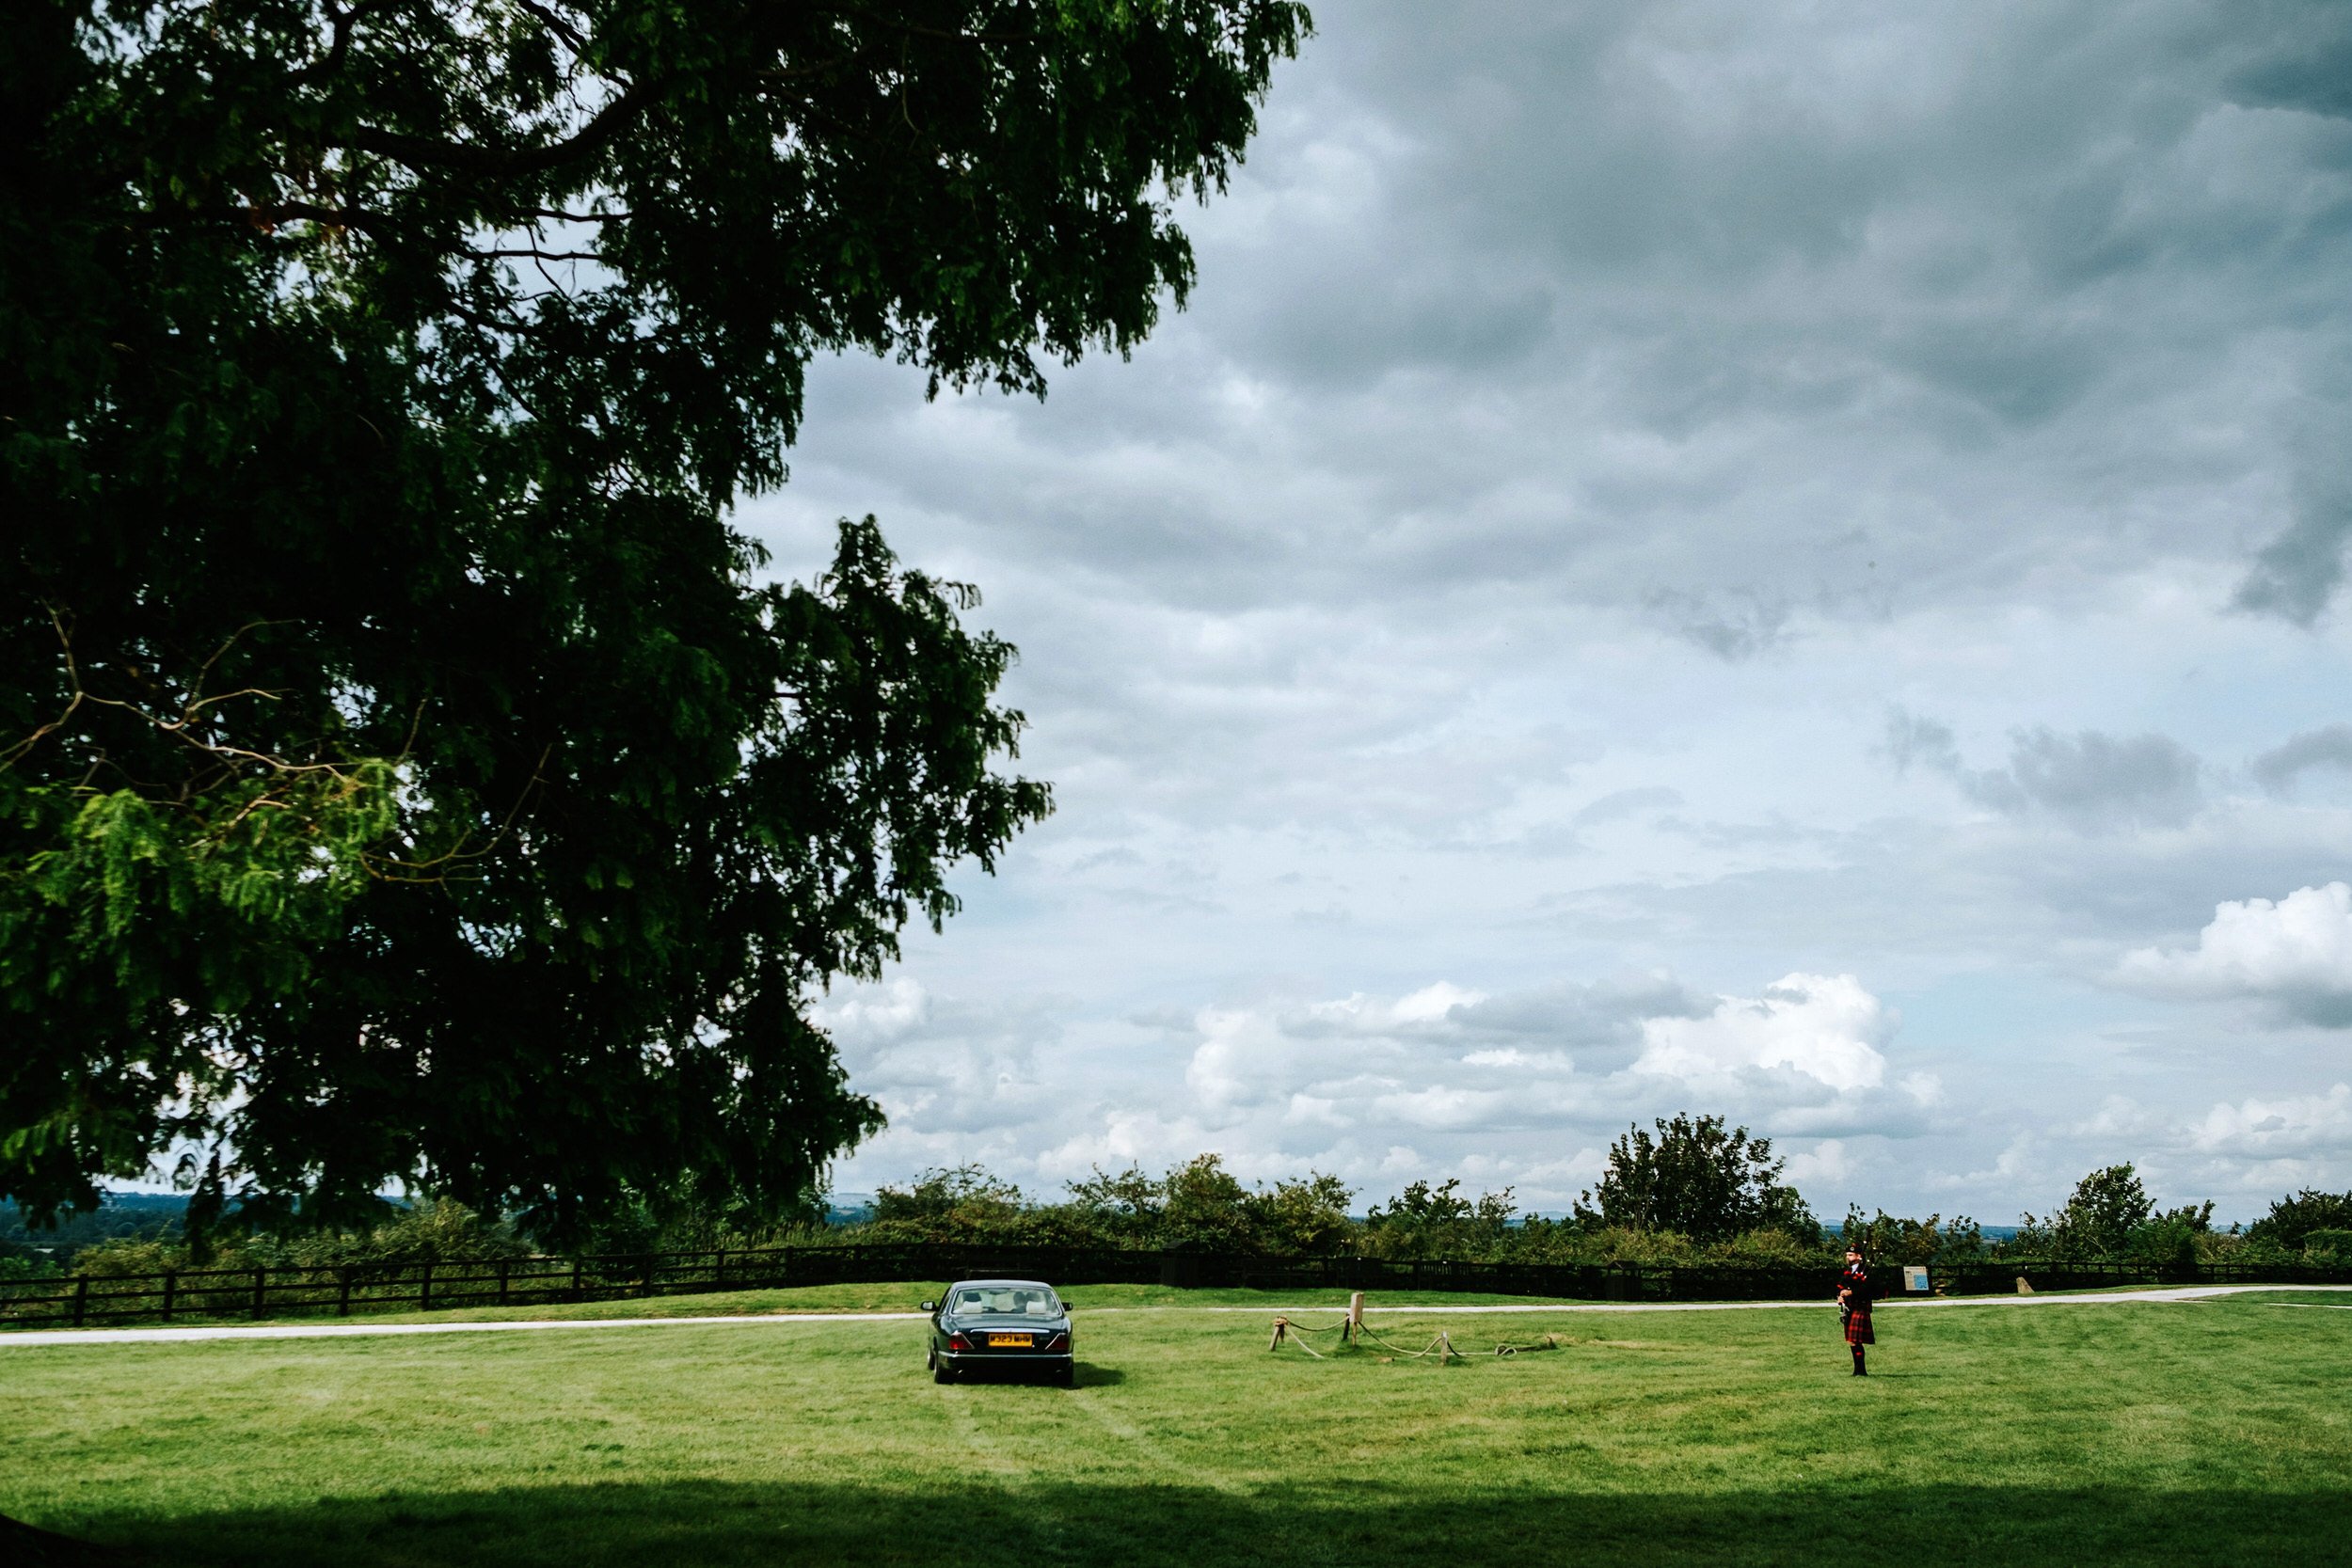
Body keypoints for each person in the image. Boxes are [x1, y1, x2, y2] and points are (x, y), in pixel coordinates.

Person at [1836, 1246, 1875, 1376]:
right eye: (1847, 1255)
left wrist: (1851, 1292)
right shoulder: (1848, 1272)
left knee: (1855, 1339)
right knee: (1852, 1341)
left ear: (1859, 1256)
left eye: (1851, 1255)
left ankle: (1861, 1370)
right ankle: (1857, 1370)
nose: (1848, 1257)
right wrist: (1840, 1295)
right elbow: (1841, 1286)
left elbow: (1869, 1288)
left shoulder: (1867, 1271)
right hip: (1850, 1307)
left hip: (1860, 1306)